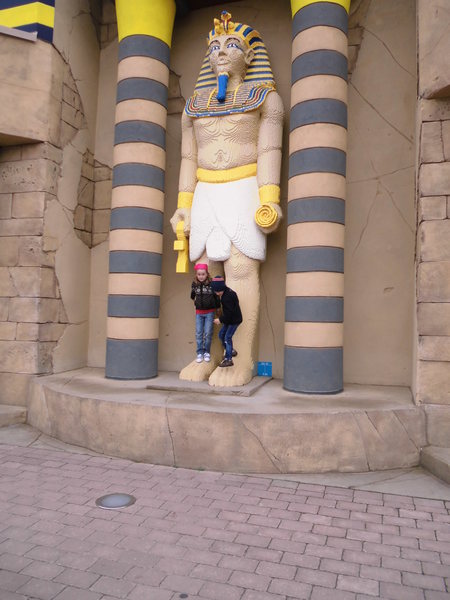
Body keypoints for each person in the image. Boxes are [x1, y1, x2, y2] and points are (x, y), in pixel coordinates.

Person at [170, 11, 283, 386]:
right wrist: (183, 206)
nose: (221, 51)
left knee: (240, 271)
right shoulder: (193, 106)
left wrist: (269, 198)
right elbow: (188, 158)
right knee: (207, 274)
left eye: (231, 45)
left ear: (249, 57)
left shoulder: (265, 99)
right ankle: (208, 355)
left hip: (243, 187)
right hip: (205, 191)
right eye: (215, 46)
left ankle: (241, 359)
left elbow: (269, 151)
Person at [211, 276, 242, 367]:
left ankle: (228, 359)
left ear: (219, 289)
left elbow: (229, 313)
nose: (216, 293)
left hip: (234, 320)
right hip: (229, 320)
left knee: (227, 338)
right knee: (221, 335)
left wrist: (220, 320)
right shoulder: (227, 292)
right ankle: (230, 350)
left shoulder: (226, 298)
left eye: (216, 291)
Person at [191, 263, 220, 363]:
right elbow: (192, 296)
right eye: (199, 274)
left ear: (207, 274)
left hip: (209, 312)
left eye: (203, 274)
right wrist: (195, 303)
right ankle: (200, 352)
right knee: (199, 333)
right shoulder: (195, 284)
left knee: (208, 333)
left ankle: (207, 351)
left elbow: (216, 297)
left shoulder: (211, 284)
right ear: (196, 275)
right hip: (199, 312)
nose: (201, 276)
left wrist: (218, 308)